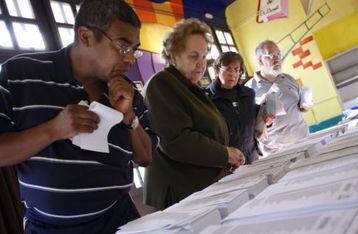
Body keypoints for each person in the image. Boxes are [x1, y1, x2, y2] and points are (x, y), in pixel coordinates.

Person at [0, 0, 158, 233]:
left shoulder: (126, 91)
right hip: (50, 228)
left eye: (134, 50)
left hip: (121, 219)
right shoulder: (19, 75)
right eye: (123, 47)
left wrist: (128, 116)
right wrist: (53, 130)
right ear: (85, 36)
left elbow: (146, 157)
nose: (130, 59)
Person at [143, 19, 245, 210]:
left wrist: (225, 159)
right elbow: (178, 141)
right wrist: (225, 154)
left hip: (200, 187)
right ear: (173, 56)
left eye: (205, 56)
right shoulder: (162, 84)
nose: (201, 64)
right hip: (181, 194)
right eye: (193, 56)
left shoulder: (189, 86)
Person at [245, 40, 310, 156]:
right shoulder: (248, 89)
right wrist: (264, 120)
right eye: (271, 55)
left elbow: (300, 109)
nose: (277, 58)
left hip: (304, 140)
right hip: (276, 151)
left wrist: (306, 106)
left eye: (278, 54)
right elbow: (249, 126)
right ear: (260, 60)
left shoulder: (289, 79)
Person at [206, 52, 259, 164]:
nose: (232, 74)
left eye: (236, 69)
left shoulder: (248, 94)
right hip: (227, 162)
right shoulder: (207, 99)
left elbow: (255, 121)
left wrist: (267, 119)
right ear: (216, 70)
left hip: (252, 157)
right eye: (228, 69)